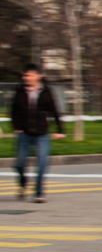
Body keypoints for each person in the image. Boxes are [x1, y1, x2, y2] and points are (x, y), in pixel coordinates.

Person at [8, 63, 64, 203]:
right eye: (24, 75)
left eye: (28, 75)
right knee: (19, 164)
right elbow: (13, 110)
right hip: (24, 134)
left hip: (41, 134)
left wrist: (59, 130)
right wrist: (16, 126)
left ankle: (39, 193)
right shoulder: (19, 91)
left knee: (42, 162)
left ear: (37, 76)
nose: (25, 77)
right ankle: (23, 183)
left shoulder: (46, 91)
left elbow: (55, 111)